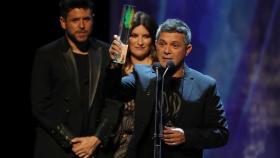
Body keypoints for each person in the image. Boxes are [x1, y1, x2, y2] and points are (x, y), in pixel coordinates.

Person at [107, 19, 229, 158]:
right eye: (162, 44)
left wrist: (187, 136)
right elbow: (113, 91)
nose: (166, 51)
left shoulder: (204, 85)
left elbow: (221, 133)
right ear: (156, 45)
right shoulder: (143, 76)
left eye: (174, 45)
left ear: (187, 50)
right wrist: (115, 63)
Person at [31, 0, 120, 157]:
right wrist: (73, 141)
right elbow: (40, 105)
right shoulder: (47, 55)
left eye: (86, 19)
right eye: (75, 20)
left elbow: (113, 101)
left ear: (93, 19)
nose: (81, 26)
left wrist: (96, 138)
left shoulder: (106, 52)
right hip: (58, 149)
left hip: (94, 148)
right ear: (63, 22)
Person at [108, 11, 158, 158]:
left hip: (146, 148)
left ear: (153, 39)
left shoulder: (159, 72)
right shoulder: (116, 69)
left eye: (146, 36)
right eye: (134, 35)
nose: (140, 42)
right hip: (113, 146)